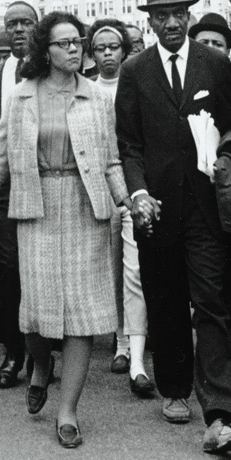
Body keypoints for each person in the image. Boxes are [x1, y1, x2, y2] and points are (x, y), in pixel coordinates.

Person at [0, 11, 128, 449]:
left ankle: (68, 410)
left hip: (85, 206)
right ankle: (40, 366)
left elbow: (112, 160)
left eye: (79, 41)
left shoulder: (96, 97)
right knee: (37, 315)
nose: (75, 49)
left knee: (81, 315)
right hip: (35, 209)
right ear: (45, 50)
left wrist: (128, 200)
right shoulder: (21, 96)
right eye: (65, 43)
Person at [117, 0, 231, 455]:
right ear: (149, 21)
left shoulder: (215, 63)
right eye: (161, 15)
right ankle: (174, 389)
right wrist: (137, 193)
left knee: (211, 298)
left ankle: (219, 411)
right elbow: (129, 144)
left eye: (179, 13)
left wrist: (225, 159)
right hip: (155, 207)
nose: (172, 23)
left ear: (190, 16)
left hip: (205, 203)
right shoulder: (135, 70)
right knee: (166, 298)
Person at [0, 0, 39, 388]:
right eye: (11, 24)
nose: (18, 30)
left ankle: (42, 351)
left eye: (26, 23)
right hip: (5, 190)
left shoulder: (54, 69)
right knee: (9, 270)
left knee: (44, 270)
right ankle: (13, 352)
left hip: (48, 185)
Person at [90, 19, 149, 393]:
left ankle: (134, 352)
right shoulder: (85, 89)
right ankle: (119, 339)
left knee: (134, 269)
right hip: (96, 191)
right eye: (100, 48)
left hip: (130, 189)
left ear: (125, 50)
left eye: (114, 46)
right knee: (107, 268)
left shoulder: (138, 83)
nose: (108, 53)